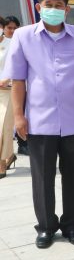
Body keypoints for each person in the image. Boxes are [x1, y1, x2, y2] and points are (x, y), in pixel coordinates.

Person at [3, 0, 74, 248]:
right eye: (48, 5)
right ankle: (46, 227)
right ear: (38, 7)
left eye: (59, 6)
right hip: (39, 121)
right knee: (42, 178)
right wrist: (19, 116)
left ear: (67, 9)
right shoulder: (23, 36)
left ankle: (73, 226)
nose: (53, 10)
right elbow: (18, 79)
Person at [0, 16, 17, 179]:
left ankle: (2, 163)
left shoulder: (13, 44)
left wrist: (7, 79)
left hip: (8, 91)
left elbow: (18, 66)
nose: (11, 30)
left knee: (4, 127)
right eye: (8, 27)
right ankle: (10, 155)